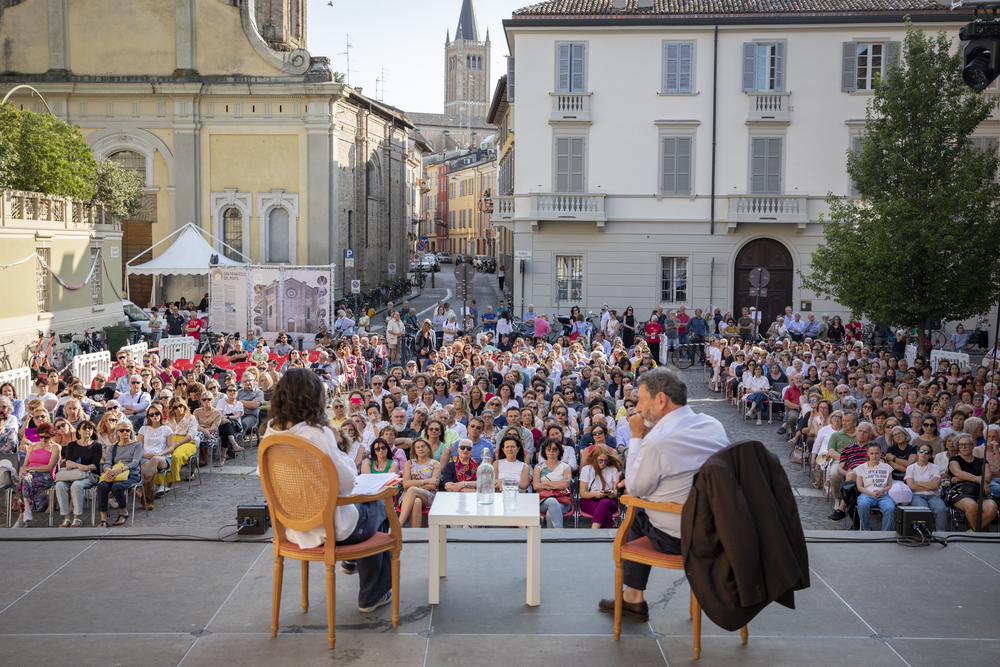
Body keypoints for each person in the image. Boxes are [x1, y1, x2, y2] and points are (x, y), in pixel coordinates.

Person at [599, 367, 729, 622]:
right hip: (719, 530)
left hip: (679, 537)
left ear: (660, 400)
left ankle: (632, 597)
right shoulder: (713, 425)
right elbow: (688, 472)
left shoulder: (657, 440)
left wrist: (637, 436)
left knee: (636, 511)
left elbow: (635, 488)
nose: (637, 405)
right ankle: (634, 597)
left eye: (642, 399)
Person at [267, 369, 393, 612]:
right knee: (378, 506)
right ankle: (372, 593)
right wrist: (337, 445)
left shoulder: (270, 434)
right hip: (332, 527)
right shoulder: (318, 434)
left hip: (292, 526)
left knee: (368, 510)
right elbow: (347, 483)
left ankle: (353, 561)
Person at [11, 423, 60, 528]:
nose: (43, 439)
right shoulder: (32, 446)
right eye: (41, 436)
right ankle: (27, 510)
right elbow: (24, 466)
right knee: (23, 481)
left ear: (52, 435)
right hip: (29, 476)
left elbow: (49, 468)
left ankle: (21, 518)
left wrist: (29, 469)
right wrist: (24, 471)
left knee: (20, 486)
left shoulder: (56, 447)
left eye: (47, 437)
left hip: (46, 476)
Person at [96, 419, 143, 527]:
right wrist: (108, 472)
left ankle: (123, 511)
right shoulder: (113, 447)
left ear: (131, 431)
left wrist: (120, 470)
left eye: (127, 430)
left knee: (117, 487)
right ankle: (103, 519)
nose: (124, 432)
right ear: (117, 432)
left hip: (131, 474)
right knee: (102, 486)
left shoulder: (137, 445)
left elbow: (135, 463)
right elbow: (107, 463)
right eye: (121, 430)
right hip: (114, 473)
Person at [55, 421, 101, 527]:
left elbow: (95, 465)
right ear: (79, 431)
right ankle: (66, 517)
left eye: (90, 428)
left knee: (77, 485)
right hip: (73, 474)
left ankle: (77, 517)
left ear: (93, 431)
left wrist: (85, 467)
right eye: (84, 428)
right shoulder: (72, 445)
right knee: (59, 485)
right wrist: (78, 466)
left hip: (89, 475)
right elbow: (68, 461)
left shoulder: (96, 445)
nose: (87, 430)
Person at [948, 434, 998, 531]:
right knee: (972, 506)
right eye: (961, 444)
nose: (963, 447)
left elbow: (988, 478)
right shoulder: (954, 460)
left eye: (967, 444)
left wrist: (963, 477)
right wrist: (979, 479)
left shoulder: (982, 461)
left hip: (980, 491)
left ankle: (973, 531)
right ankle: (978, 531)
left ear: (973, 445)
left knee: (992, 509)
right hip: (960, 491)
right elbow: (958, 472)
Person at [579, 443, 624, 528]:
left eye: (606, 460)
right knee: (605, 513)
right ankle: (606, 534)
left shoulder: (613, 470)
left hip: (609, 501)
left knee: (604, 502)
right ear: (594, 458)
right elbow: (582, 493)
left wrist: (612, 493)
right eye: (600, 460)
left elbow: (616, 492)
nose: (603, 463)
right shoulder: (587, 469)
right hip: (590, 500)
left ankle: (594, 532)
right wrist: (595, 494)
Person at [137, 404, 174, 508]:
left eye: (157, 413)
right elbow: (139, 446)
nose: (154, 416)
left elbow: (171, 447)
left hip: (162, 457)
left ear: (160, 414)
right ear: (148, 417)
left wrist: (160, 453)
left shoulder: (167, 429)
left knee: (154, 459)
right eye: (151, 414)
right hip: (145, 457)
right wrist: (144, 454)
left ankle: (143, 491)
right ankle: (148, 500)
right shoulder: (143, 429)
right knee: (153, 469)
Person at [397, 438, 439, 528]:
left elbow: (433, 485)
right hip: (408, 494)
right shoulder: (409, 463)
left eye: (423, 446)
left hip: (428, 494)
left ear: (428, 448)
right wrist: (426, 481)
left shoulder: (435, 464)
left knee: (412, 489)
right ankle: (415, 533)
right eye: (418, 447)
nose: (421, 449)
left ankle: (398, 525)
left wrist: (413, 484)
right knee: (416, 501)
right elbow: (405, 484)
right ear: (415, 450)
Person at [905, 444, 948, 531]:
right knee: (923, 510)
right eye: (921, 451)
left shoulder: (935, 467)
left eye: (927, 452)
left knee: (941, 509)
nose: (923, 453)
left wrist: (918, 483)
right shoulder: (910, 468)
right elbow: (911, 487)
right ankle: (924, 534)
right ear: (917, 452)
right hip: (917, 495)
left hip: (934, 495)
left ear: (930, 455)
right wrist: (930, 485)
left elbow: (936, 485)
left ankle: (941, 534)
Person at [855, 442, 896, 531]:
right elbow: (859, 487)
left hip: (883, 494)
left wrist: (881, 491)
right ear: (868, 454)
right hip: (867, 493)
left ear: (881, 453)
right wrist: (871, 493)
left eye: (877, 453)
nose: (874, 456)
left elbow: (889, 485)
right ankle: (866, 528)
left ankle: (885, 532)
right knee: (862, 505)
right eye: (872, 453)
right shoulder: (861, 468)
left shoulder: (887, 467)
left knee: (890, 508)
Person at [533, 437, 572, 528]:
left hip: (563, 501)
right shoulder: (538, 467)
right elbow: (536, 486)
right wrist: (557, 484)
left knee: (550, 513)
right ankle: (558, 533)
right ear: (545, 451)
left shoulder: (565, 467)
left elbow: (564, 484)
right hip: (543, 500)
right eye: (548, 448)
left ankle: (550, 539)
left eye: (554, 449)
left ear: (559, 451)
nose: (551, 451)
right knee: (552, 501)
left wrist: (545, 484)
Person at [216, 384, 245, 466]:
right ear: (226, 392)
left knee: (227, 427)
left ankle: (223, 457)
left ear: (237, 392)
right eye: (230, 390)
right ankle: (234, 444)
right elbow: (218, 415)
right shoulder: (221, 402)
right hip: (221, 424)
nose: (232, 392)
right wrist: (224, 418)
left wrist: (227, 417)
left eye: (234, 390)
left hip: (235, 426)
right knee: (226, 424)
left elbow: (236, 416)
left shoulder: (239, 404)